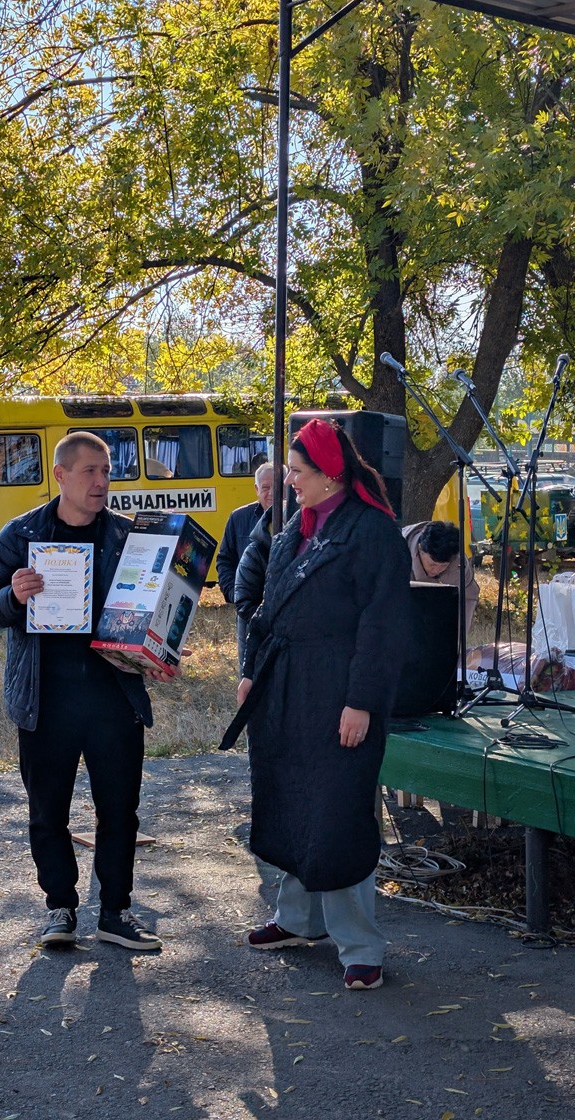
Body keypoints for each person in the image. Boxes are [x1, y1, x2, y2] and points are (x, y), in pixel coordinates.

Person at [220, 418, 411, 990]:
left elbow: (384, 630)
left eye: (297, 474)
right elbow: (266, 610)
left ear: (330, 474)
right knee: (291, 800)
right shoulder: (292, 531)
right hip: (285, 689)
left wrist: (362, 702)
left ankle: (360, 945)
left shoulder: (373, 534)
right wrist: (253, 674)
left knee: (337, 813)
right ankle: (298, 919)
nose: (288, 485)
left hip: (338, 692)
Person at [0, 431, 175, 951]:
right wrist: (14, 596)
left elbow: (151, 610)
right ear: (60, 475)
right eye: (90, 472)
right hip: (46, 702)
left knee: (119, 813)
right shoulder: (20, 535)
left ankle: (115, 912)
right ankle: (60, 908)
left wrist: (159, 648)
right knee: (48, 813)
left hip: (113, 698)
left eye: (107, 472)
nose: (101, 482)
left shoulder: (131, 538)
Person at [216, 463, 276, 669]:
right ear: (256, 489)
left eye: (276, 486)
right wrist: (235, 595)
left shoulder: (298, 518)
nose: (271, 493)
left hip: (283, 613)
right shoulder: (238, 518)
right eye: (266, 487)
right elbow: (225, 560)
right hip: (248, 612)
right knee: (248, 670)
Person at [402, 519, 479, 636]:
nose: (436, 570)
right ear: (420, 550)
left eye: (443, 566)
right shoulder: (397, 553)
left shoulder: (459, 563)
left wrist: (456, 639)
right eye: (432, 564)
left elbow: (468, 596)